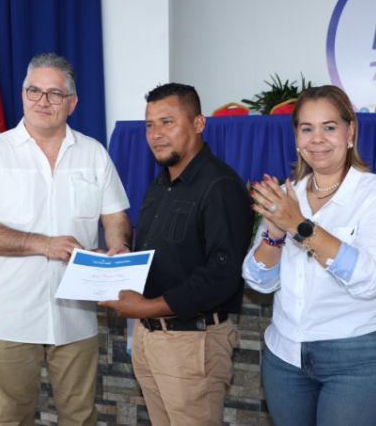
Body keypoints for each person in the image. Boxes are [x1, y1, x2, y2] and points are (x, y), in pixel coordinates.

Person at [0, 53, 131, 426]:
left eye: (55, 93)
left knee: (80, 417)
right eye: (34, 91)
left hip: (76, 315)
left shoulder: (93, 153)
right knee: (13, 417)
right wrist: (44, 244)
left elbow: (115, 215)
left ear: (72, 102)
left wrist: (118, 246)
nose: (43, 101)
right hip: (12, 316)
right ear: (23, 94)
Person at [100, 83, 254, 425]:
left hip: (192, 341)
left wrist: (146, 308)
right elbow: (164, 256)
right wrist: (118, 260)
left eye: (167, 122)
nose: (156, 134)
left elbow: (221, 276)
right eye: (149, 125)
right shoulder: (161, 184)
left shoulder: (221, 186)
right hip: (149, 338)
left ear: (198, 124)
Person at [243, 85, 376, 426]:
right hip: (284, 358)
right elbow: (258, 280)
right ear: (296, 138)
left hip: (356, 359)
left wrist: (300, 226)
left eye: (329, 127)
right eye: (307, 128)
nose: (317, 139)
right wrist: (274, 235)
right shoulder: (288, 195)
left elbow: (369, 281)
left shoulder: (370, 196)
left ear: (350, 132)